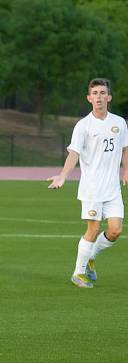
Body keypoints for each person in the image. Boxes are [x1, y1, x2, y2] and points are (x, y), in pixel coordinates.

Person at [48, 78, 128, 288]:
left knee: (115, 230)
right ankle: (78, 273)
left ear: (109, 97)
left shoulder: (119, 122)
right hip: (92, 189)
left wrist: (126, 171)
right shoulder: (83, 125)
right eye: (95, 93)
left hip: (113, 189)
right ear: (89, 98)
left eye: (103, 93)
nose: (99, 97)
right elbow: (74, 153)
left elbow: (125, 148)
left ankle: (91, 255)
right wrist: (63, 175)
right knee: (92, 230)